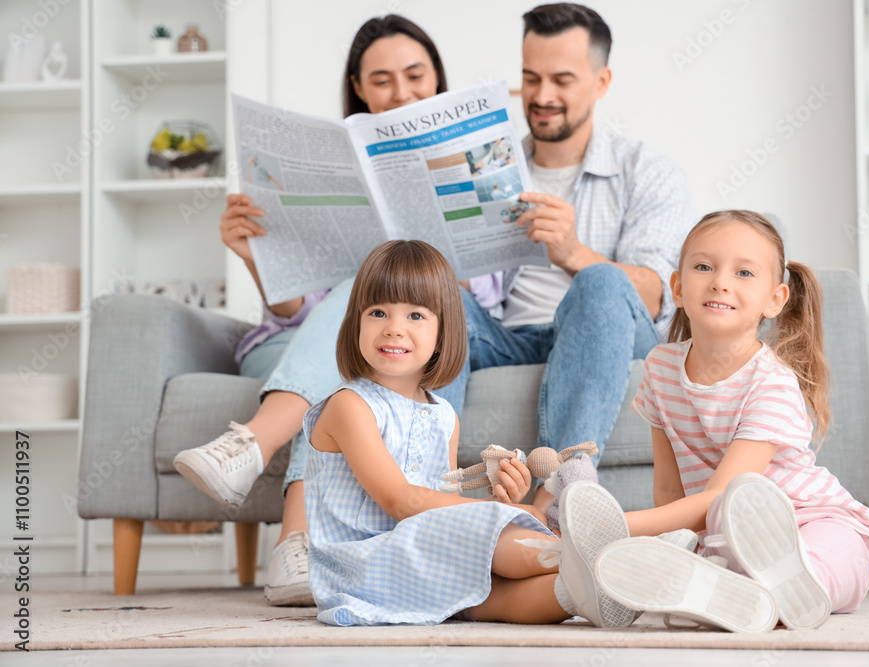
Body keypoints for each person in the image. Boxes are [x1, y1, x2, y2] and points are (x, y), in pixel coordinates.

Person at [172, 15, 501, 607]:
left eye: (415, 75)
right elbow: (292, 308)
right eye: (381, 80)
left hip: (397, 342)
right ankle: (288, 525)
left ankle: (262, 468)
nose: (400, 93)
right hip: (311, 340)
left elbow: (478, 301)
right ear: (359, 89)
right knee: (356, 305)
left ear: (438, 80)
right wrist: (256, 257)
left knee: (365, 311)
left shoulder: (473, 173)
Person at [302, 240, 635, 628]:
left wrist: (498, 498)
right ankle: (606, 559)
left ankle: (590, 590)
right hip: (364, 566)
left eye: (415, 316)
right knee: (499, 533)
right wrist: (501, 512)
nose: (393, 328)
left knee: (489, 599)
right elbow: (403, 501)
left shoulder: (443, 415)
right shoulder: (349, 406)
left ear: (444, 332)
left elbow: (440, 503)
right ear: (355, 323)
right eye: (378, 312)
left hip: (420, 556)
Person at [446, 3, 697, 516]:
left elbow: (652, 294)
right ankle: (429, 488)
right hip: (510, 338)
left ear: (601, 82)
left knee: (602, 282)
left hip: (608, 337)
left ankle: (557, 494)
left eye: (562, 79)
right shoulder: (489, 171)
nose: (542, 96)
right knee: (429, 298)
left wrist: (571, 253)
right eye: (530, 78)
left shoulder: (646, 171)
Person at [589, 210, 869, 632]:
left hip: (814, 518)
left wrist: (619, 527)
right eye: (703, 266)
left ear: (775, 299)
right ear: (677, 287)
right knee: (718, 540)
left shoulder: (771, 382)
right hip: (727, 530)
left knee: (828, 557)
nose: (720, 281)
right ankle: (737, 591)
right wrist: (668, 539)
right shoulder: (659, 369)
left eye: (744, 272)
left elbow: (716, 495)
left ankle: (793, 588)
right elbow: (670, 488)